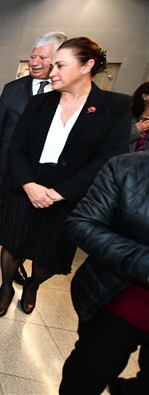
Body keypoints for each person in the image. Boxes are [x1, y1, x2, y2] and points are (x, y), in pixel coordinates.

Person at [0, 37, 132, 317]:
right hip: (28, 183)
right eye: (52, 65)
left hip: (72, 192)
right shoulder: (39, 103)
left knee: (51, 253)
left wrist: (59, 193)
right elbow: (16, 148)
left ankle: (32, 285)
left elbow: (108, 160)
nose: (51, 71)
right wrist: (28, 184)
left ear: (86, 66)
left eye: (60, 65)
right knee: (13, 243)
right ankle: (6, 287)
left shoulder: (114, 106)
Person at [0, 31, 68, 287]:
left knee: (23, 216)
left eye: (43, 57)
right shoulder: (12, 89)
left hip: (37, 172)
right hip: (7, 163)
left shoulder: (62, 94)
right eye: (32, 56)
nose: (35, 62)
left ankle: (14, 258)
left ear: (57, 61)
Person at [59, 152, 149, 395]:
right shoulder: (127, 168)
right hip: (117, 305)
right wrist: (142, 262)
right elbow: (81, 223)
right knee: (86, 378)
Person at [128, 81, 149, 152]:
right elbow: (115, 138)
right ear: (145, 96)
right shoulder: (127, 114)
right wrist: (135, 130)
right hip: (122, 157)